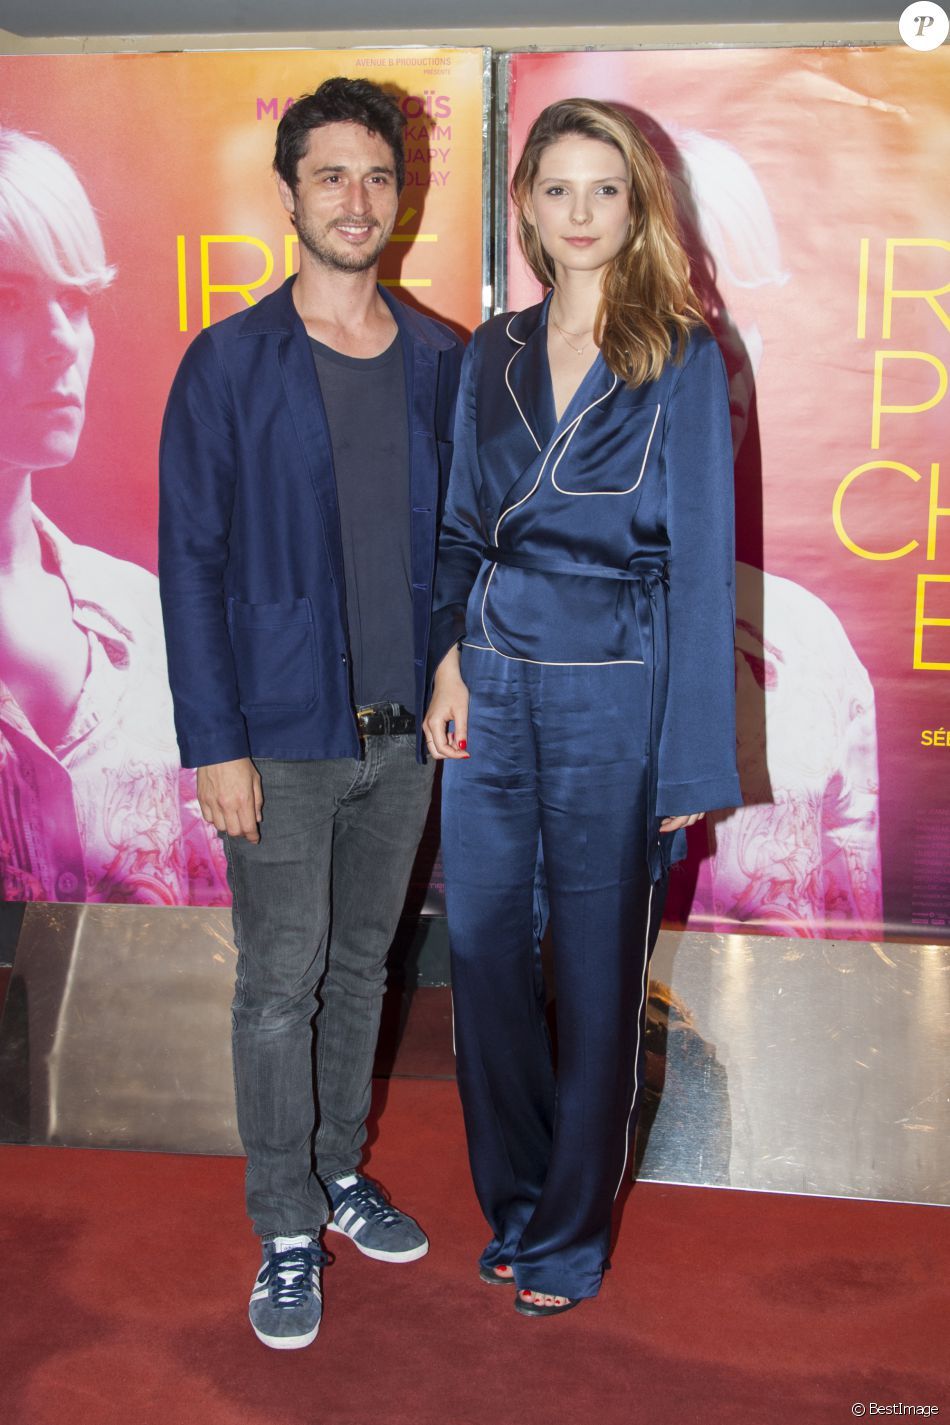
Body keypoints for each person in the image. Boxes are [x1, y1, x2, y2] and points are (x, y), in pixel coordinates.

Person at [159, 78, 463, 1350]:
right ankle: (284, 1223)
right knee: (279, 984)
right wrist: (214, 744)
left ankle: (338, 1170)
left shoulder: (445, 360)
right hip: (279, 737)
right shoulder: (227, 364)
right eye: (331, 174)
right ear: (287, 193)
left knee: (362, 969)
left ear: (402, 197)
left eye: (378, 176)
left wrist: (457, 664)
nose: (357, 197)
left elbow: (468, 542)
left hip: (405, 741)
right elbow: (191, 564)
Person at [423, 98, 740, 1317]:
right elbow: (458, 524)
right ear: (526, 207)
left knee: (599, 973)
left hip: (618, 685)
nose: (579, 212)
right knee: (483, 952)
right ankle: (513, 1203)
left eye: (603, 188)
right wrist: (447, 660)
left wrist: (687, 762)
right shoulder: (490, 351)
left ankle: (565, 1240)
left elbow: (700, 570)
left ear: (636, 203)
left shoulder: (680, 353)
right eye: (555, 188)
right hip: (492, 680)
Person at [0, 128, 227, 906]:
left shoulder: (142, 614)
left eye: (75, 301)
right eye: (8, 299)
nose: (61, 343)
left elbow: (212, 912)